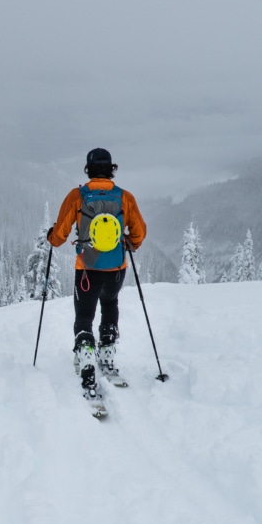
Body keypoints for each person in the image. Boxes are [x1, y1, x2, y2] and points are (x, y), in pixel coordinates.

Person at [45, 148, 147, 407]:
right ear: (111, 169)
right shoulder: (125, 197)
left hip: (87, 270)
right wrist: (129, 245)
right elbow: (139, 233)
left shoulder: (77, 196)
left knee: (84, 316)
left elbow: (59, 236)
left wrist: (51, 236)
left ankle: (87, 359)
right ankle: (108, 352)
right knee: (110, 305)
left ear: (88, 170)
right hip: (116, 268)